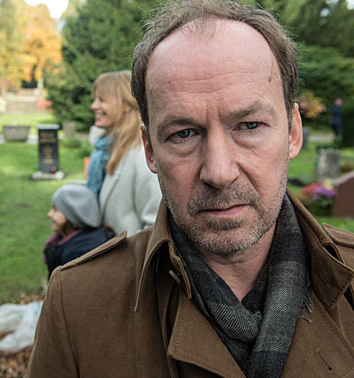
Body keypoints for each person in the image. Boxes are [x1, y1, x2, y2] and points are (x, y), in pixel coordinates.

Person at [26, 1, 354, 377]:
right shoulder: (78, 305)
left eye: (249, 126)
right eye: (184, 134)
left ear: (293, 133)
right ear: (150, 149)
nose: (218, 172)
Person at [86, 70, 161, 235]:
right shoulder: (105, 151)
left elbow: (154, 225)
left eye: (102, 100)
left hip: (129, 259)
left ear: (126, 104)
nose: (94, 106)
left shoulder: (141, 156)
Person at [43, 184, 115, 277]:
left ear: (72, 215)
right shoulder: (68, 242)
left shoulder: (78, 254)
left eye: (56, 210)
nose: (49, 214)